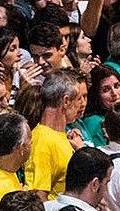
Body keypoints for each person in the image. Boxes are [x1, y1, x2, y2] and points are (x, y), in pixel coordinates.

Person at [27, 70, 87, 198]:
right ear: (66, 101)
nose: (81, 104)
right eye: (78, 99)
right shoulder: (41, 143)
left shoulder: (63, 136)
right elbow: (38, 198)